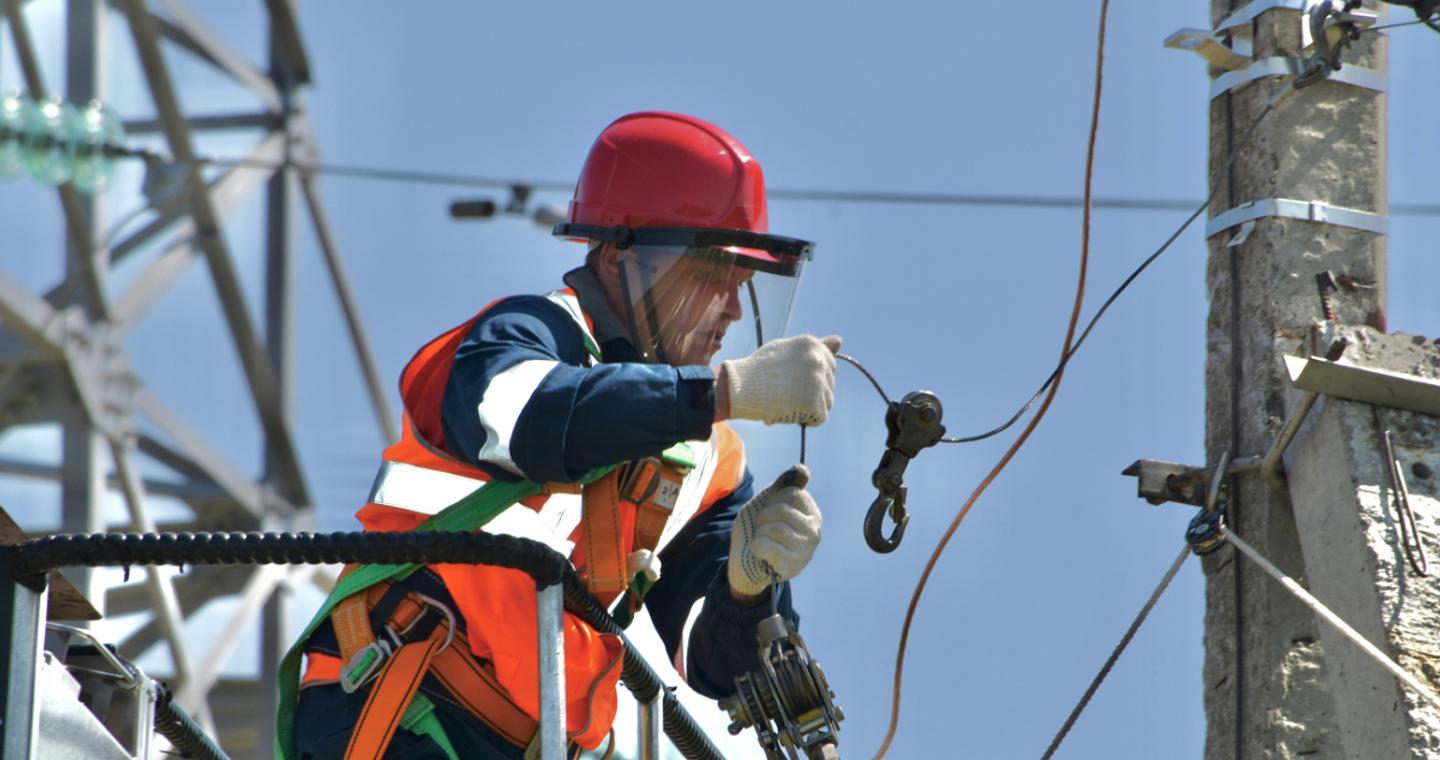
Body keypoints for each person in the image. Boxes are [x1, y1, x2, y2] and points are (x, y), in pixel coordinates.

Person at [286, 111, 841, 758]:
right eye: (711, 275)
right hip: (399, 697)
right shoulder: (525, 336)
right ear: (619, 258)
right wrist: (719, 394)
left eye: (742, 284)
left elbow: (714, 663)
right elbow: (525, 421)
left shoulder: (707, 463)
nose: (732, 311)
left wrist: (747, 588)